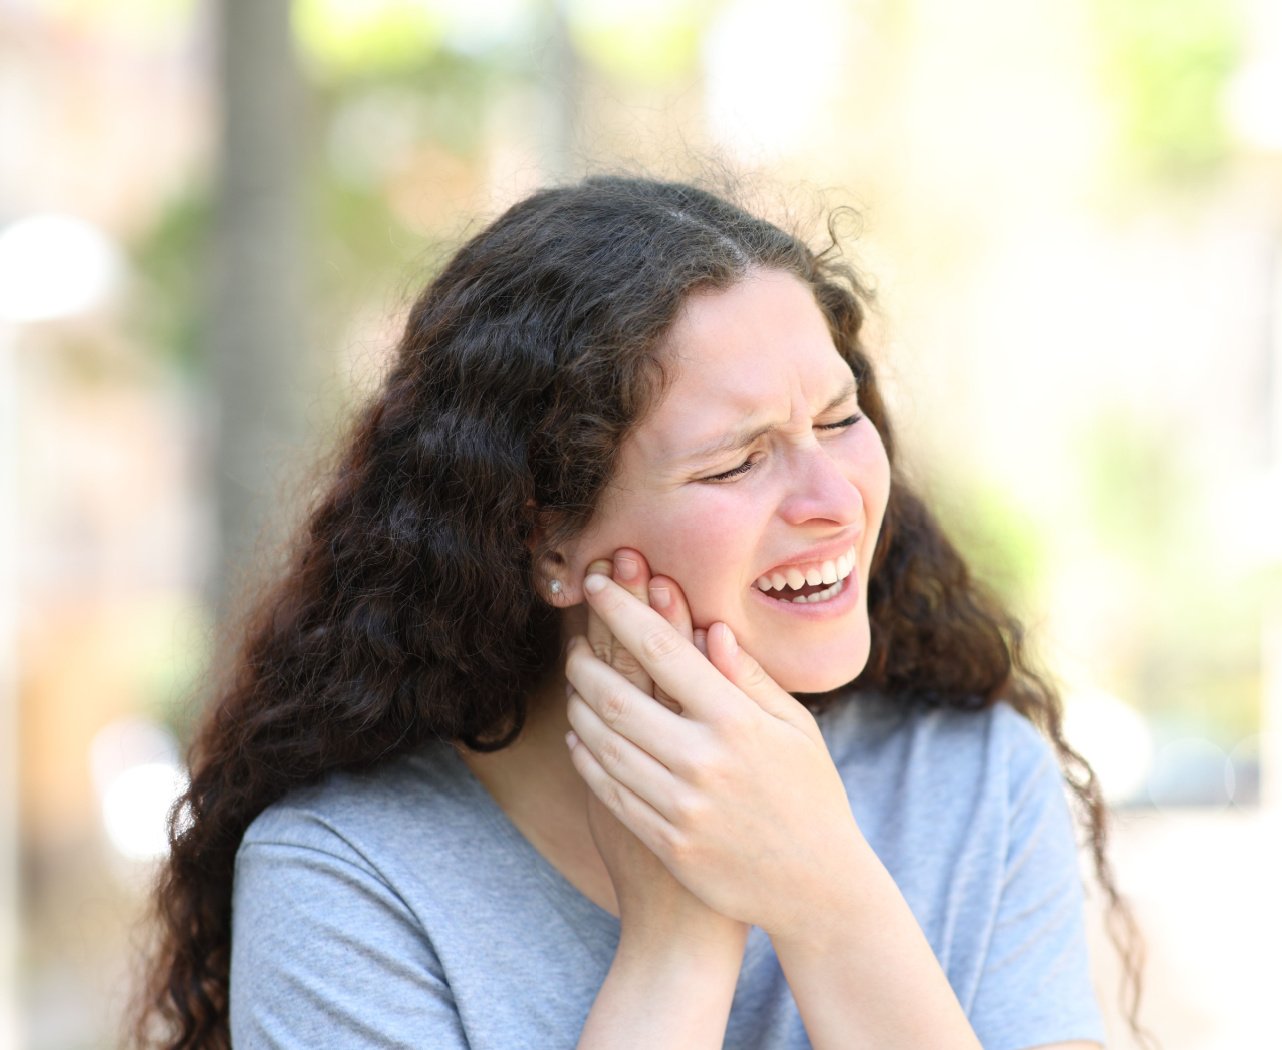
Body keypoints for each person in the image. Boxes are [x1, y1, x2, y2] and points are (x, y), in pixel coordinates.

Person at [135, 176, 1142, 1049]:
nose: (834, 498)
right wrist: (674, 949)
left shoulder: (969, 776)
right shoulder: (348, 876)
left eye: (840, 420)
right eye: (736, 459)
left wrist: (827, 890)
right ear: (547, 539)